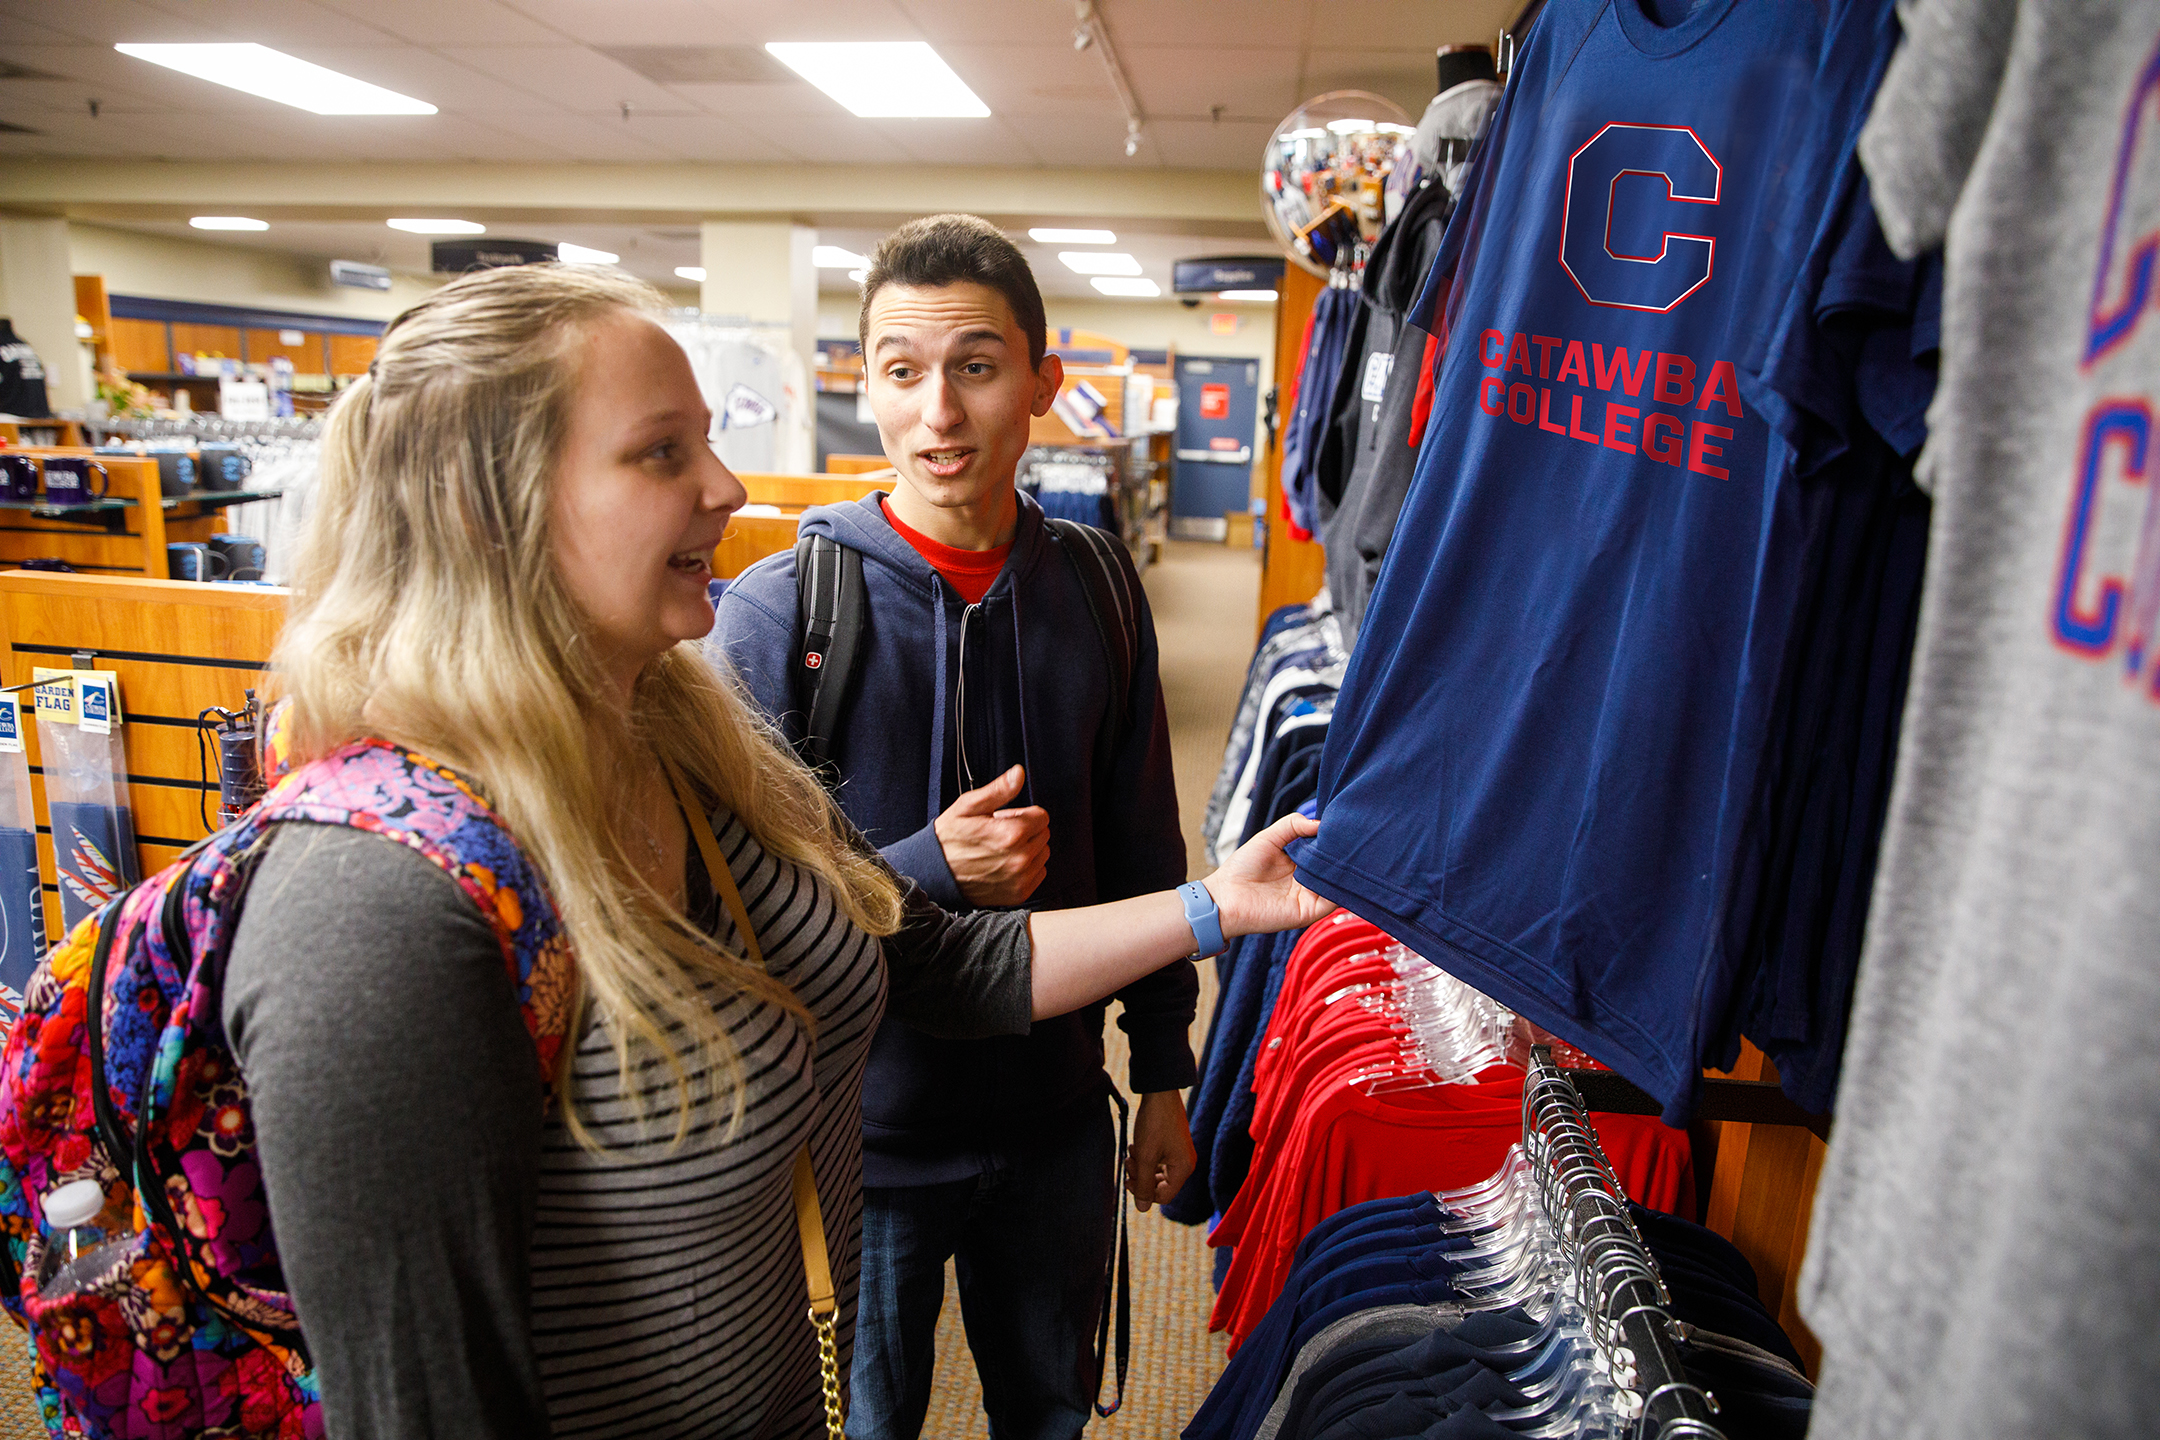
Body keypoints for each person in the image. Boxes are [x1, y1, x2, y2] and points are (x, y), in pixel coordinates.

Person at [226, 260, 1329, 1439]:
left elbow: (935, 961)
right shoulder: (373, 894)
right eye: (663, 453)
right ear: (482, 506)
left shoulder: (688, 742)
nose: (727, 485)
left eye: (705, 440)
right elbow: (422, 1406)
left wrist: (1218, 907)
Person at [710, 214, 1194, 1440]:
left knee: (1051, 1414)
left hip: (1057, 1126)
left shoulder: (1094, 585)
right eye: (900, 371)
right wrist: (927, 868)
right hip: (861, 1147)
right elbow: (727, 906)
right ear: (863, 382)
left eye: (976, 367)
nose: (938, 413)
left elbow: (1144, 841)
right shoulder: (781, 613)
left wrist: (1168, 1073)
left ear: (1044, 383)